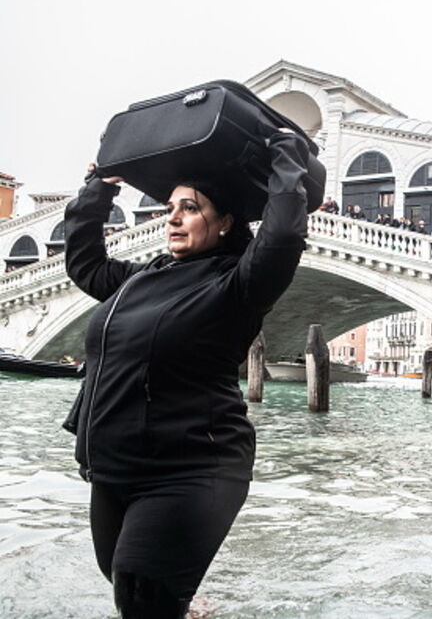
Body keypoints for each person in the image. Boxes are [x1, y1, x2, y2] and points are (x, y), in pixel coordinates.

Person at [64, 131, 312, 617]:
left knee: (140, 596)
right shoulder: (139, 279)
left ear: (224, 223)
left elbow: (282, 235)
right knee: (119, 572)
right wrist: (100, 185)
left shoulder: (238, 285)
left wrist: (288, 155)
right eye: (171, 207)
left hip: (192, 469)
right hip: (112, 467)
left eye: (191, 208)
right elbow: (84, 261)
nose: (173, 218)